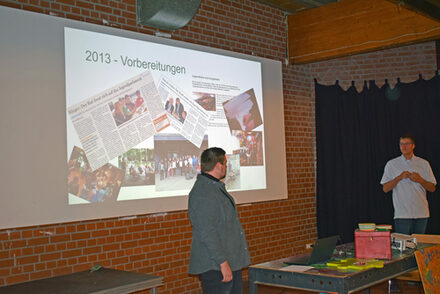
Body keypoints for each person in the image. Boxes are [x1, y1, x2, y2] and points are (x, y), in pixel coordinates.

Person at [188, 147, 250, 294]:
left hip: (228, 262)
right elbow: (207, 233)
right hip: (215, 266)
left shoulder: (214, 188)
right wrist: (223, 263)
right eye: (226, 164)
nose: (227, 168)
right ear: (218, 166)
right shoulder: (203, 193)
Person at [380, 134, 436, 234]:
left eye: (407, 143)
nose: (404, 146)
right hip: (402, 214)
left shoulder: (424, 163)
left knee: (419, 246)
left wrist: (420, 180)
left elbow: (432, 188)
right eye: (401, 144)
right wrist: (399, 178)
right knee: (403, 247)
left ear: (413, 146)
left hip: (421, 213)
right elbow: (385, 188)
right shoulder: (392, 164)